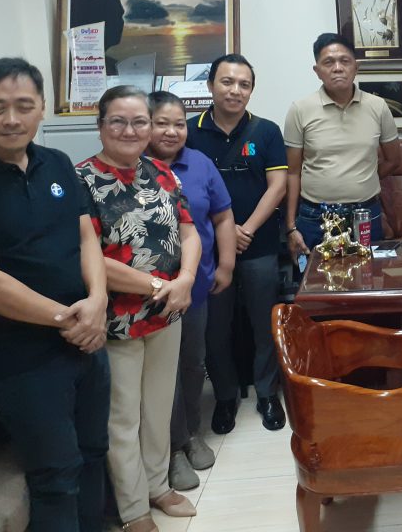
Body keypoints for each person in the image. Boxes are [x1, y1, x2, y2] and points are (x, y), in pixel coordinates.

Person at [0, 58, 110, 532]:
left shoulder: (55, 163)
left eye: (23, 106)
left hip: (87, 342)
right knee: (56, 476)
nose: (11, 118)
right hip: (20, 356)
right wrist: (68, 320)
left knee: (95, 454)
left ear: (40, 110)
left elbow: (86, 238)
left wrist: (97, 302)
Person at [75, 85, 201, 532]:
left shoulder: (163, 173)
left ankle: (159, 486)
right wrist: (158, 285)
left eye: (139, 122)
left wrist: (184, 281)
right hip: (117, 321)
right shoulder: (81, 180)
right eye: (118, 121)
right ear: (101, 125)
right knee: (123, 417)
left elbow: (189, 232)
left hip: (168, 311)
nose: (130, 130)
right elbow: (91, 258)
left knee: (158, 407)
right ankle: (134, 510)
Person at [185, 54, 288, 433]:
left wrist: (243, 229)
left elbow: (278, 186)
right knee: (217, 329)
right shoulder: (189, 132)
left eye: (244, 84)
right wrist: (225, 235)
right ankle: (226, 397)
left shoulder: (266, 131)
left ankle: (265, 393)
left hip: (258, 243)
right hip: (208, 251)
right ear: (211, 85)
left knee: (265, 325)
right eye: (227, 82)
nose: (235, 90)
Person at [145, 91, 236, 492]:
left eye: (179, 123)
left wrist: (227, 264)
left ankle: (190, 432)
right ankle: (173, 447)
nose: (171, 131)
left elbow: (222, 215)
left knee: (191, 363)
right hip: (146, 295)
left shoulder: (199, 164)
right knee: (160, 373)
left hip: (194, 285)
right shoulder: (133, 166)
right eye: (161, 122)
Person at [285, 33, 400, 262]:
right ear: (317, 71)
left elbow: (394, 159)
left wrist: (362, 178)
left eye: (345, 61)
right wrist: (290, 227)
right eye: (329, 62)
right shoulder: (300, 109)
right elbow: (293, 172)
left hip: (365, 215)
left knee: (368, 283)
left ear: (356, 67)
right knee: (317, 287)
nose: (338, 68)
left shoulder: (377, 107)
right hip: (316, 217)